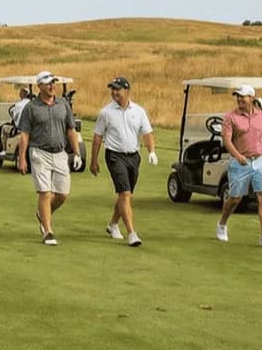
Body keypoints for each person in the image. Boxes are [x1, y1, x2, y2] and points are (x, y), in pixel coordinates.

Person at [89, 77, 158, 247]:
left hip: (133, 156)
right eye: (112, 89)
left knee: (126, 195)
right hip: (114, 155)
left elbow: (147, 133)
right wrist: (94, 161)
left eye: (117, 89)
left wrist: (152, 151)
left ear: (127, 91)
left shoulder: (139, 111)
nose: (114, 93)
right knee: (125, 194)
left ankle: (113, 224)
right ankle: (132, 233)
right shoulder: (106, 112)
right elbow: (97, 137)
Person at [16, 70, 82, 246]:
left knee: (62, 194)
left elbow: (71, 129)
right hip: (39, 152)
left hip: (60, 153)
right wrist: (22, 158)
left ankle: (42, 214)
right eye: (48, 83)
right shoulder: (31, 108)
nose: (52, 86)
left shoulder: (63, 105)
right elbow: (24, 134)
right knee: (44, 192)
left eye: (53, 83)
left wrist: (76, 152)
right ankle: (47, 231)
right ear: (40, 86)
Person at [217, 84, 262, 249]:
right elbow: (227, 140)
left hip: (259, 161)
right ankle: (222, 223)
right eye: (238, 96)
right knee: (235, 198)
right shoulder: (230, 117)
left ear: (252, 98)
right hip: (240, 162)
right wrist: (237, 156)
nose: (239, 99)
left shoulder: (261, 116)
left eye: (243, 96)